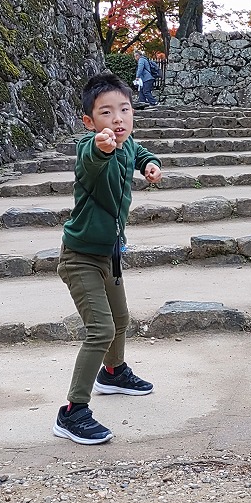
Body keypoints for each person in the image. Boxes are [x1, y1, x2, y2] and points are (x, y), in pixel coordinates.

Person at [53, 72, 163, 444]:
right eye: (106, 113)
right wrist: (100, 146)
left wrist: (149, 164)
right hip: (80, 257)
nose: (117, 119)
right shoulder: (91, 148)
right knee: (101, 329)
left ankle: (113, 373)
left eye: (124, 110)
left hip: (110, 255)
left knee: (121, 319)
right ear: (89, 122)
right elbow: (92, 159)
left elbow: (138, 150)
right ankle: (72, 412)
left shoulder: (128, 143)